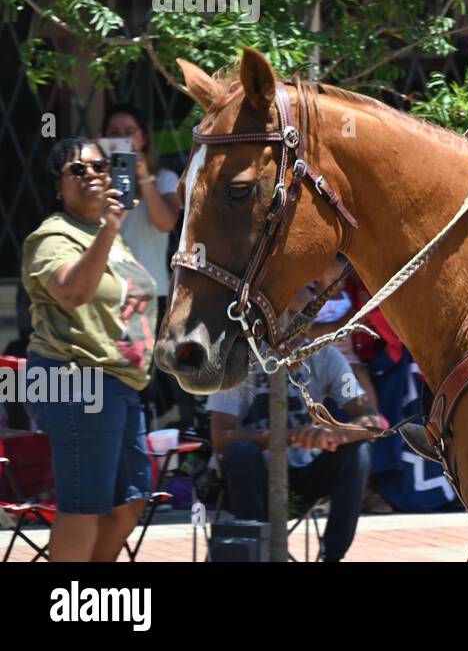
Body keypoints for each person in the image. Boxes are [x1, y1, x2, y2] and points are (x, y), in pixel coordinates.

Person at [21, 137, 158, 561]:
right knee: (86, 507)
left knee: (128, 503)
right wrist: (110, 227)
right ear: (58, 188)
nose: (92, 175)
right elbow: (74, 291)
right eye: (76, 170)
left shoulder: (111, 238)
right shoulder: (53, 235)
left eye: (99, 167)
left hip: (120, 381)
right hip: (76, 378)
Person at [207, 318, 384, 561]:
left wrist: (335, 434)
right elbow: (221, 437)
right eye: (286, 313)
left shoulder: (326, 357)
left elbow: (373, 422)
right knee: (241, 453)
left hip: (303, 483)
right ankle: (256, 552)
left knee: (358, 452)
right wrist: (282, 438)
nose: (293, 325)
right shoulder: (239, 360)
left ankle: (332, 555)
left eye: (301, 315)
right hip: (251, 482)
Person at [102, 103, 187, 427]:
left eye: (129, 133)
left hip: (149, 295)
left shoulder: (163, 178)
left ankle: (151, 436)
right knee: (116, 377)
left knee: (148, 379)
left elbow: (166, 222)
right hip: (108, 294)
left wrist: (143, 178)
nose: (123, 139)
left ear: (144, 139)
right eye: (115, 133)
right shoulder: (94, 180)